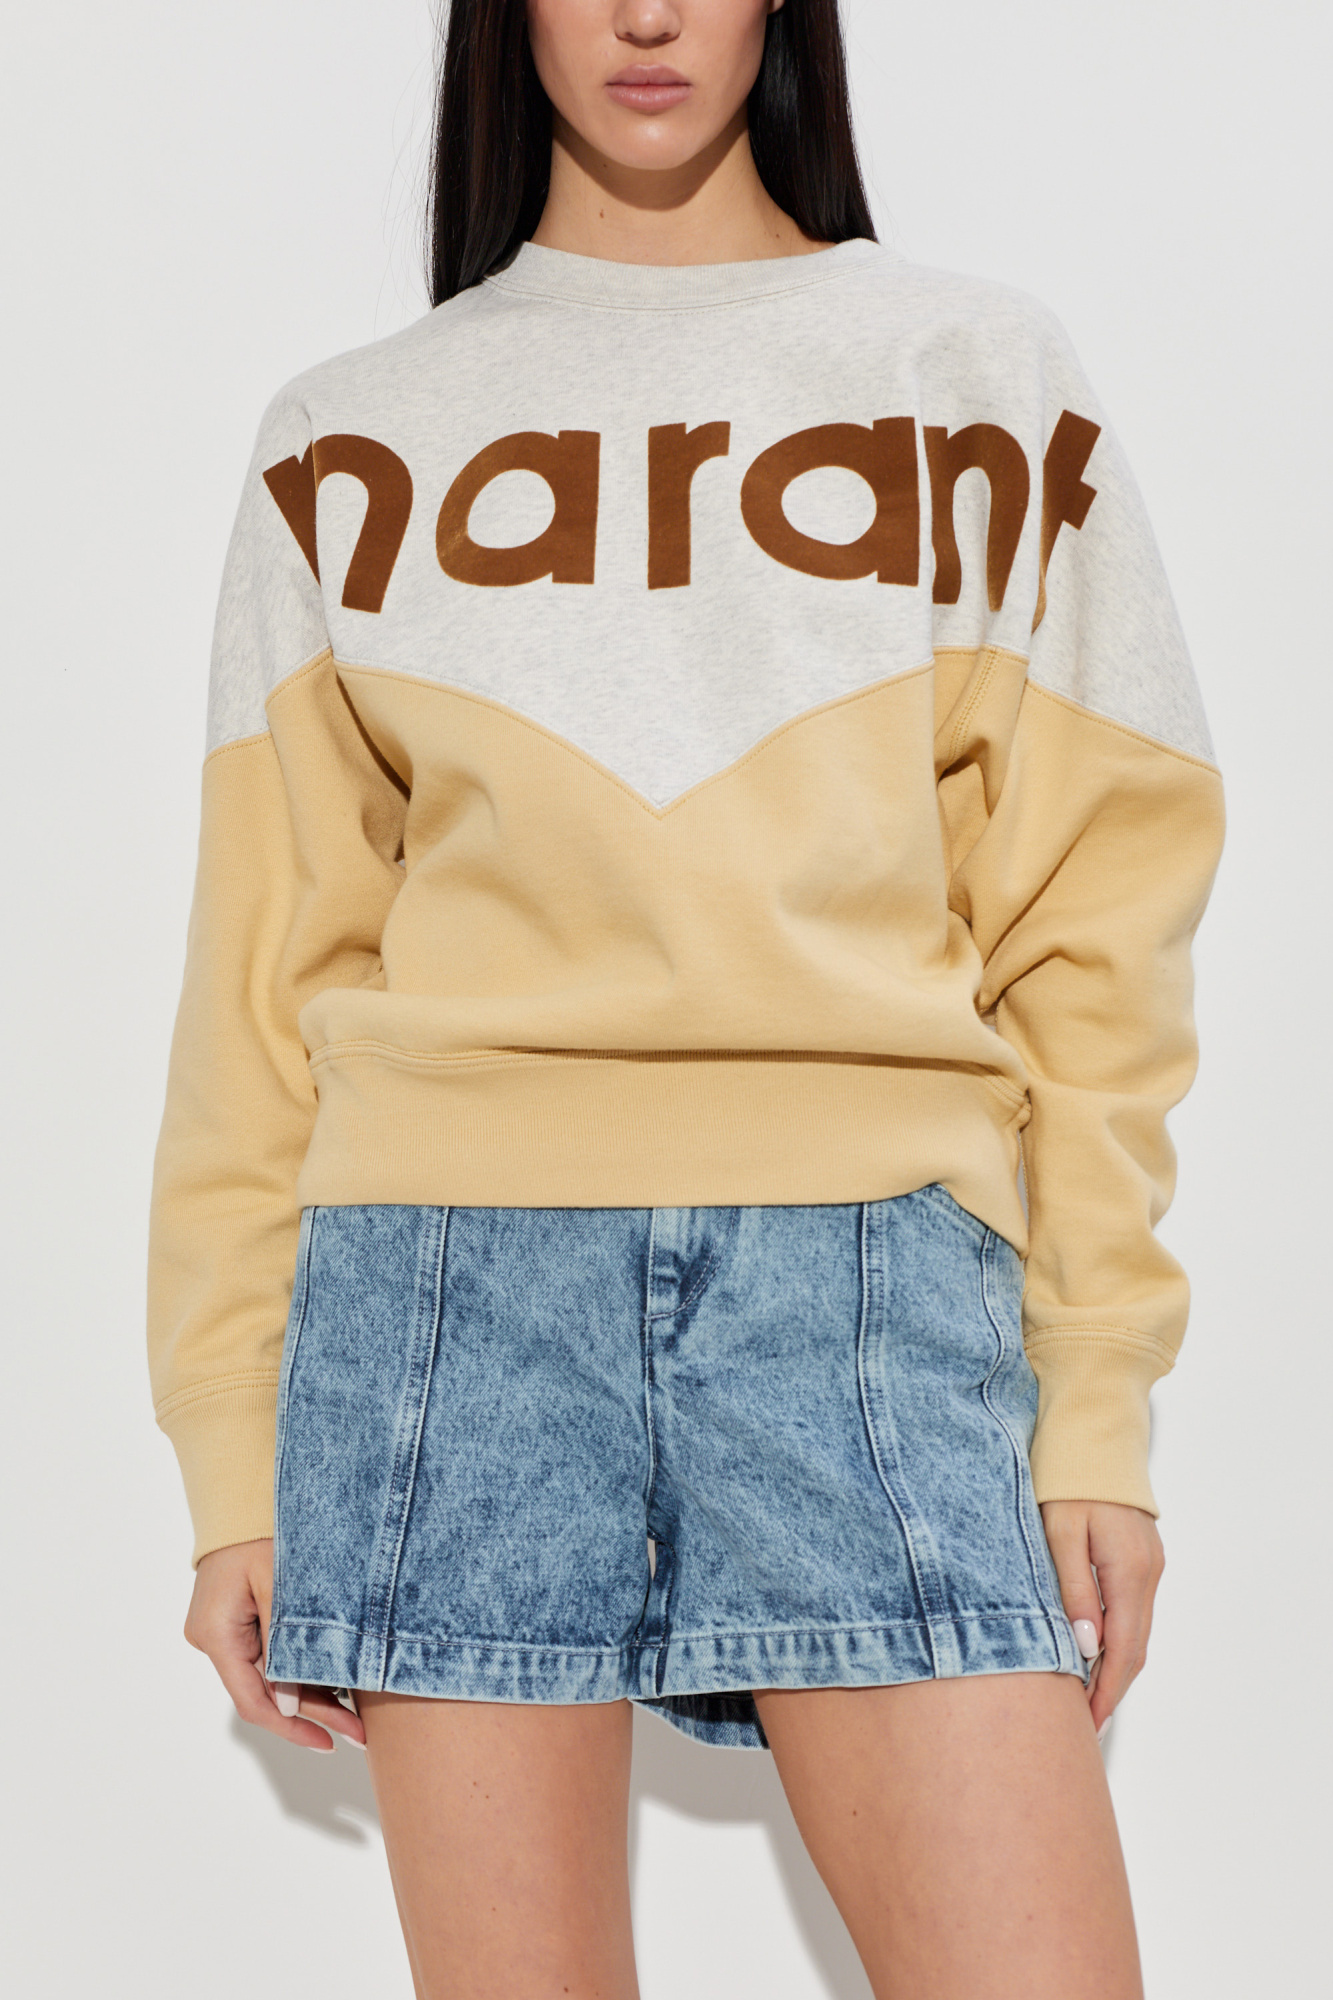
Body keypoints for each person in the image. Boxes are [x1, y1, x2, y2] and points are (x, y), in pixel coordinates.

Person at [148, 2, 1224, 1994]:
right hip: (445, 1298)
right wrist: (233, 1442)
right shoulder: (349, 432)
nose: (646, 13)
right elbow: (263, 975)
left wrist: (1092, 1403)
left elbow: (1095, 925)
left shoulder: (970, 372)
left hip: (870, 1285)